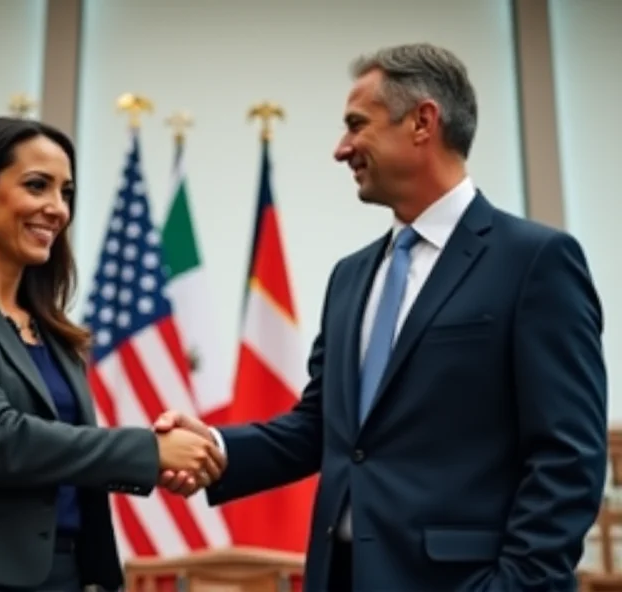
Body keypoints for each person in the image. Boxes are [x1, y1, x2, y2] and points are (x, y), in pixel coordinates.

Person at [156, 43, 607, 591]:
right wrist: (215, 448)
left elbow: (569, 455)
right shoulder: (350, 277)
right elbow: (321, 428)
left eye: (356, 125)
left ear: (422, 122)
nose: (341, 149)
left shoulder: (535, 261)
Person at [0, 116, 225, 592]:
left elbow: (64, 450)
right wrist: (148, 451)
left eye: (66, 193)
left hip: (65, 574)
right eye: (37, 186)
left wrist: (163, 462)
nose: (56, 209)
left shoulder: (53, 331)